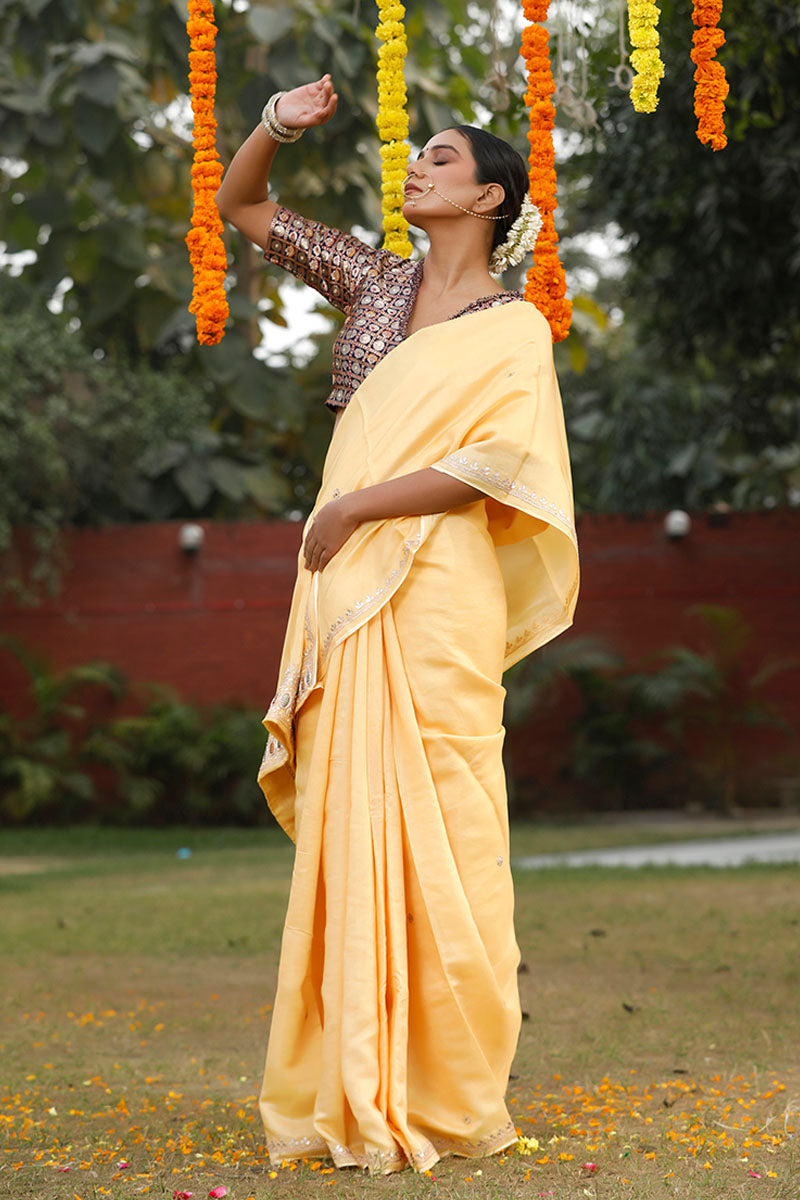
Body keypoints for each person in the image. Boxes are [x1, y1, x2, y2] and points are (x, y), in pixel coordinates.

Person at [216, 73, 579, 1176]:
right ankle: (352, 1078)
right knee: (353, 813)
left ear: (487, 200)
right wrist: (275, 126)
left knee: (451, 808)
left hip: (434, 584)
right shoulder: (374, 282)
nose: (415, 168)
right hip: (344, 576)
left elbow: (493, 465)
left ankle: (452, 1084)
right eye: (415, 156)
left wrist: (359, 503)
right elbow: (243, 209)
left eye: (439, 159)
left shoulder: (512, 329)